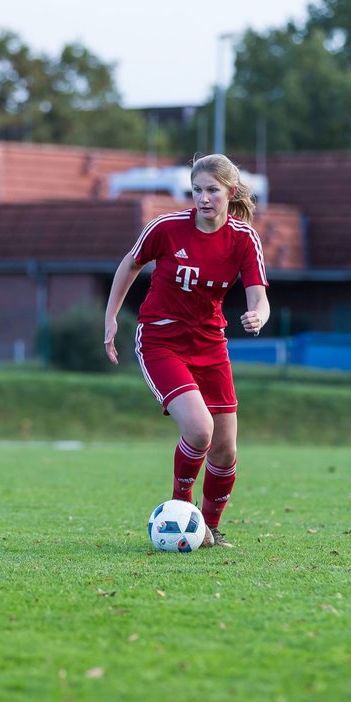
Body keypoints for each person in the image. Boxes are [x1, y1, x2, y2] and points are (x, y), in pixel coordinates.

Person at [103, 153, 270, 548]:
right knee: (199, 429)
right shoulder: (166, 227)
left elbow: (259, 299)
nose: (203, 198)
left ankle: (209, 529)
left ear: (231, 192)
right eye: (197, 190)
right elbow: (129, 265)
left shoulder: (244, 238)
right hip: (161, 340)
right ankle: (181, 513)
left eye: (212, 190)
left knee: (226, 451)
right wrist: (111, 317)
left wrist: (258, 316)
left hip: (211, 342)